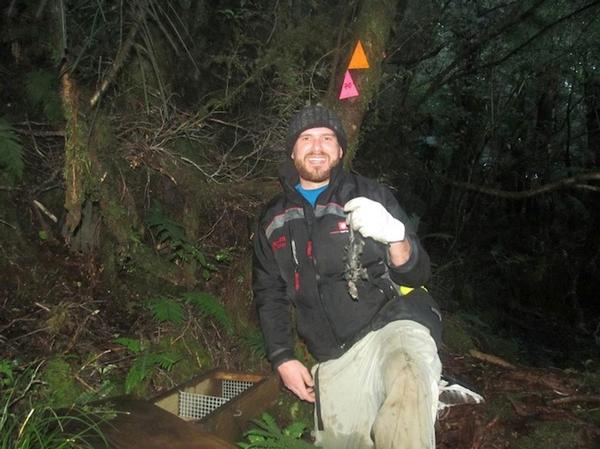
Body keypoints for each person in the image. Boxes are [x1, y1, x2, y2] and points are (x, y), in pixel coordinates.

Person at [252, 105, 443, 449]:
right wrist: (282, 356)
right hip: (334, 354)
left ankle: (428, 386)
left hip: (391, 325)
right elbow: (270, 293)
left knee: (408, 380)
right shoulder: (273, 218)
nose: (317, 146)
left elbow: (417, 272)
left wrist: (396, 236)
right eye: (306, 139)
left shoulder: (370, 196)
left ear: (340, 151)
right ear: (293, 151)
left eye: (327, 138)